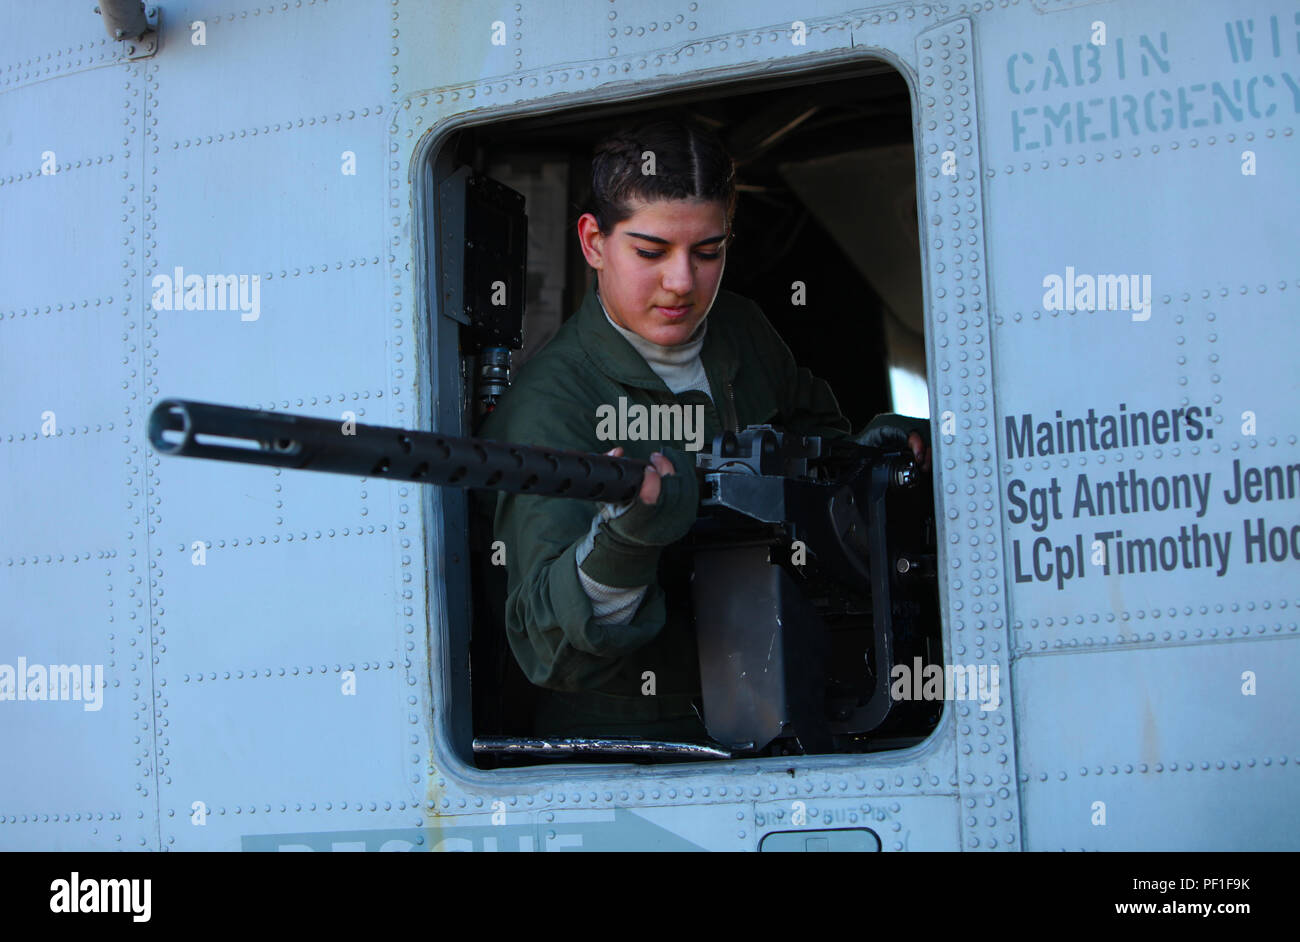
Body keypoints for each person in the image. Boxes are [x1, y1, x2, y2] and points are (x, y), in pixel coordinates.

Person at [477, 119, 930, 741]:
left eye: (708, 252)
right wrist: (628, 540)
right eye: (651, 252)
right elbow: (551, 652)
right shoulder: (550, 409)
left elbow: (813, 449)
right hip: (639, 745)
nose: (683, 282)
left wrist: (860, 464)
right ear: (592, 242)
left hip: (782, 704)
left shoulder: (740, 330)